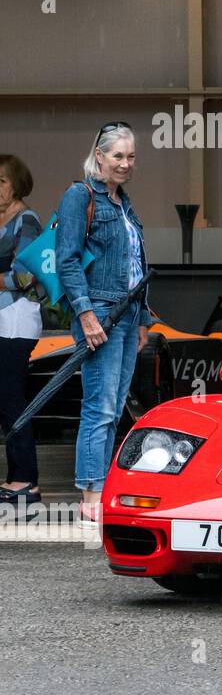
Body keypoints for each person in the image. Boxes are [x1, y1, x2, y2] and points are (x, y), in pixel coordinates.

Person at [56, 123, 153, 527]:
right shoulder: (80, 196)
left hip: (128, 315)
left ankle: (100, 488)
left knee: (115, 409)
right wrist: (86, 313)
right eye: (118, 156)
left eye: (130, 157)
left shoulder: (123, 202)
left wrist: (144, 317)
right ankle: (92, 497)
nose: (125, 164)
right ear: (99, 156)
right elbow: (67, 260)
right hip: (100, 312)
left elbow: (135, 266)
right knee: (99, 407)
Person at [0, 154, 43, 511]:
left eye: (1, 181)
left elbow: (27, 274)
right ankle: (18, 476)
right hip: (2, 317)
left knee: (12, 398)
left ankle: (25, 479)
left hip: (17, 320)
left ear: (16, 184)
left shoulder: (26, 220)